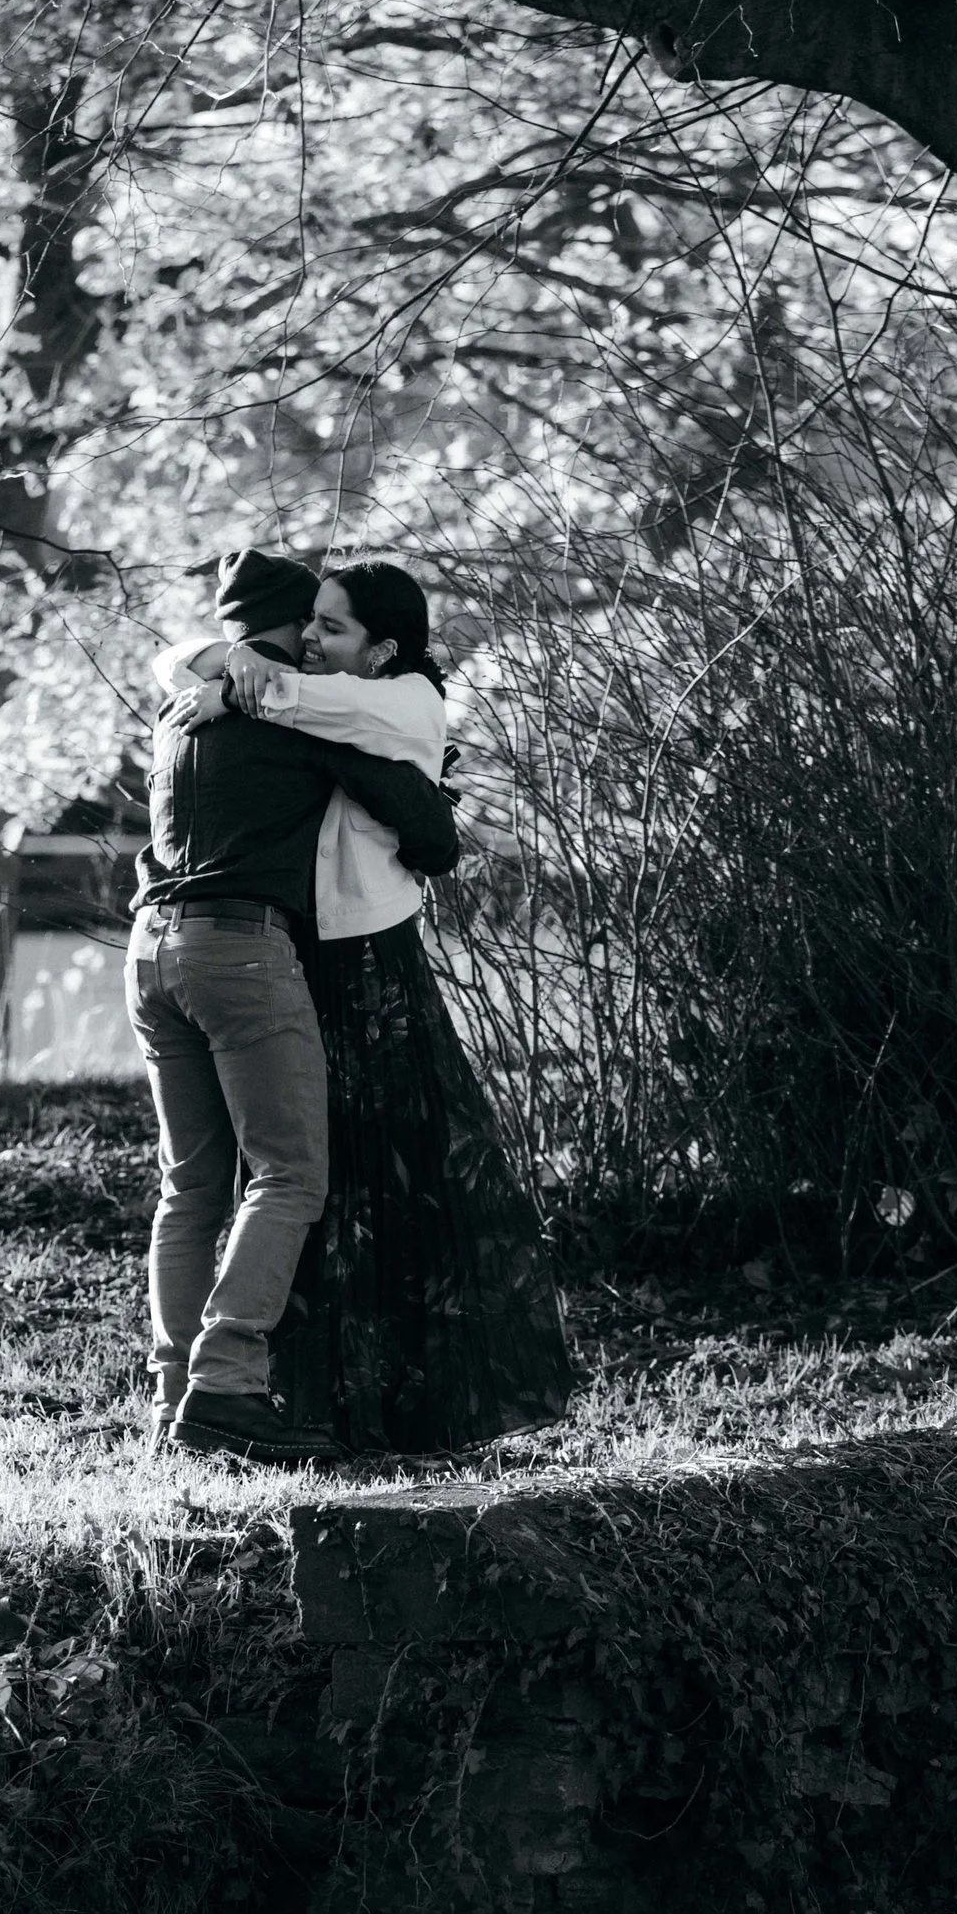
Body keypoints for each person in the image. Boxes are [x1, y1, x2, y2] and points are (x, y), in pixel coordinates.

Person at [166, 561, 574, 1457]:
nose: (313, 640)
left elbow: (316, 730)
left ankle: (385, 1407)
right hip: (296, 958)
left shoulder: (402, 702)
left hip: (367, 965)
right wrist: (221, 663)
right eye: (309, 623)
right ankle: (273, 1397)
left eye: (333, 628)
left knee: (378, 1183)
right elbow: (227, 679)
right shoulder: (321, 694)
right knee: (311, 1185)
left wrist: (238, 682)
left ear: (384, 647)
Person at [127, 546, 459, 1463]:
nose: (315, 643)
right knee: (286, 1176)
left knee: (191, 1185)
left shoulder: (181, 712)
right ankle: (227, 1386)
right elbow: (426, 830)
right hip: (239, 951)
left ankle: (171, 1395)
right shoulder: (292, 714)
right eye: (308, 624)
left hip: (149, 949)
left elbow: (185, 659)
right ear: (279, 634)